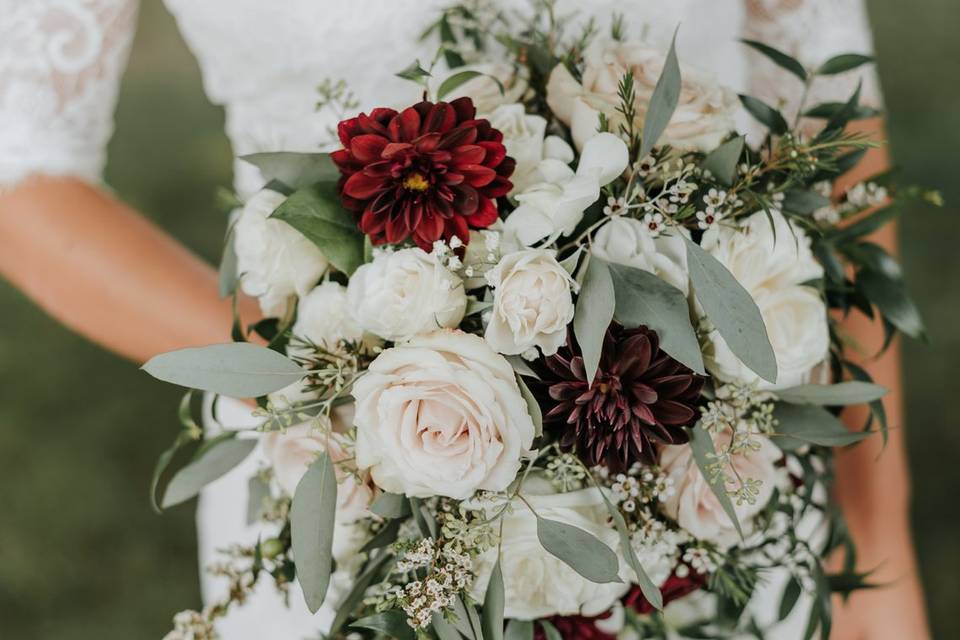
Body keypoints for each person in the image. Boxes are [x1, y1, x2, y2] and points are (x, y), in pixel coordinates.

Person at [0, 1, 930, 637]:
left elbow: (826, 112)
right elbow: (22, 168)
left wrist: (876, 528)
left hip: (737, 454)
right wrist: (338, 372)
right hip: (363, 459)